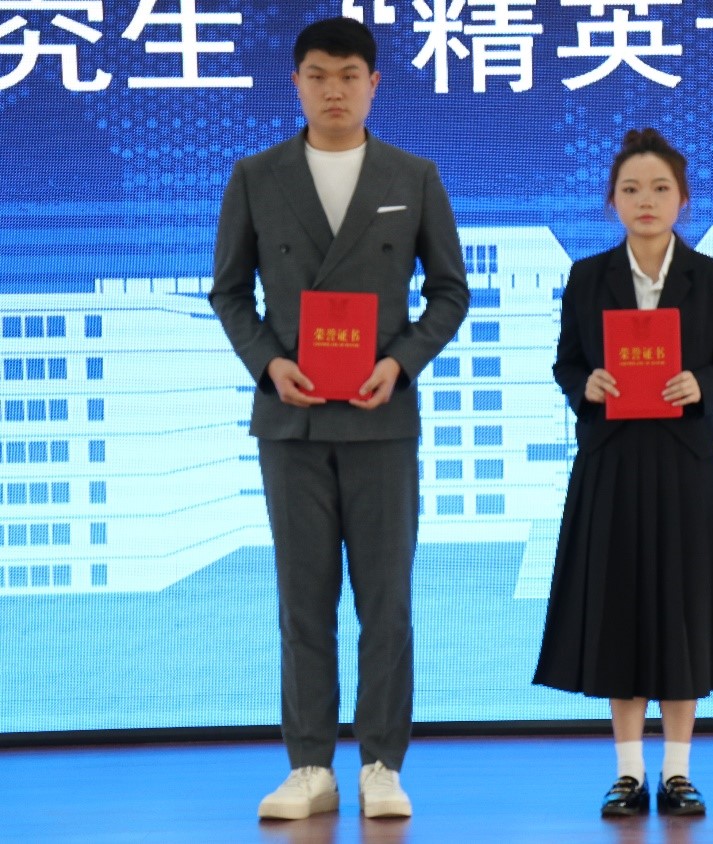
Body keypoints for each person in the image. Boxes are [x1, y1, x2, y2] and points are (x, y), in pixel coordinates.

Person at [209, 17, 469, 821]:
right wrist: (267, 362)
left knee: (386, 602)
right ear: (296, 83)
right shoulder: (256, 175)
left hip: (379, 418)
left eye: (349, 75)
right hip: (291, 422)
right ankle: (310, 765)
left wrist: (401, 362)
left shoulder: (412, 174)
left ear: (374, 84)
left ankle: (383, 763)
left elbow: (450, 292)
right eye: (318, 75)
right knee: (303, 601)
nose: (334, 90)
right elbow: (228, 292)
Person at [533, 128, 713, 818]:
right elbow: (567, 362)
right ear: (613, 202)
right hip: (612, 461)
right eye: (631, 189)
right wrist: (586, 384)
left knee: (685, 612)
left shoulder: (712, 277)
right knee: (620, 612)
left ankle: (679, 773)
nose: (646, 200)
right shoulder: (587, 277)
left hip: (686, 463)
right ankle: (628, 773)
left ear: (683, 199)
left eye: (660, 188)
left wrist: (703, 385)